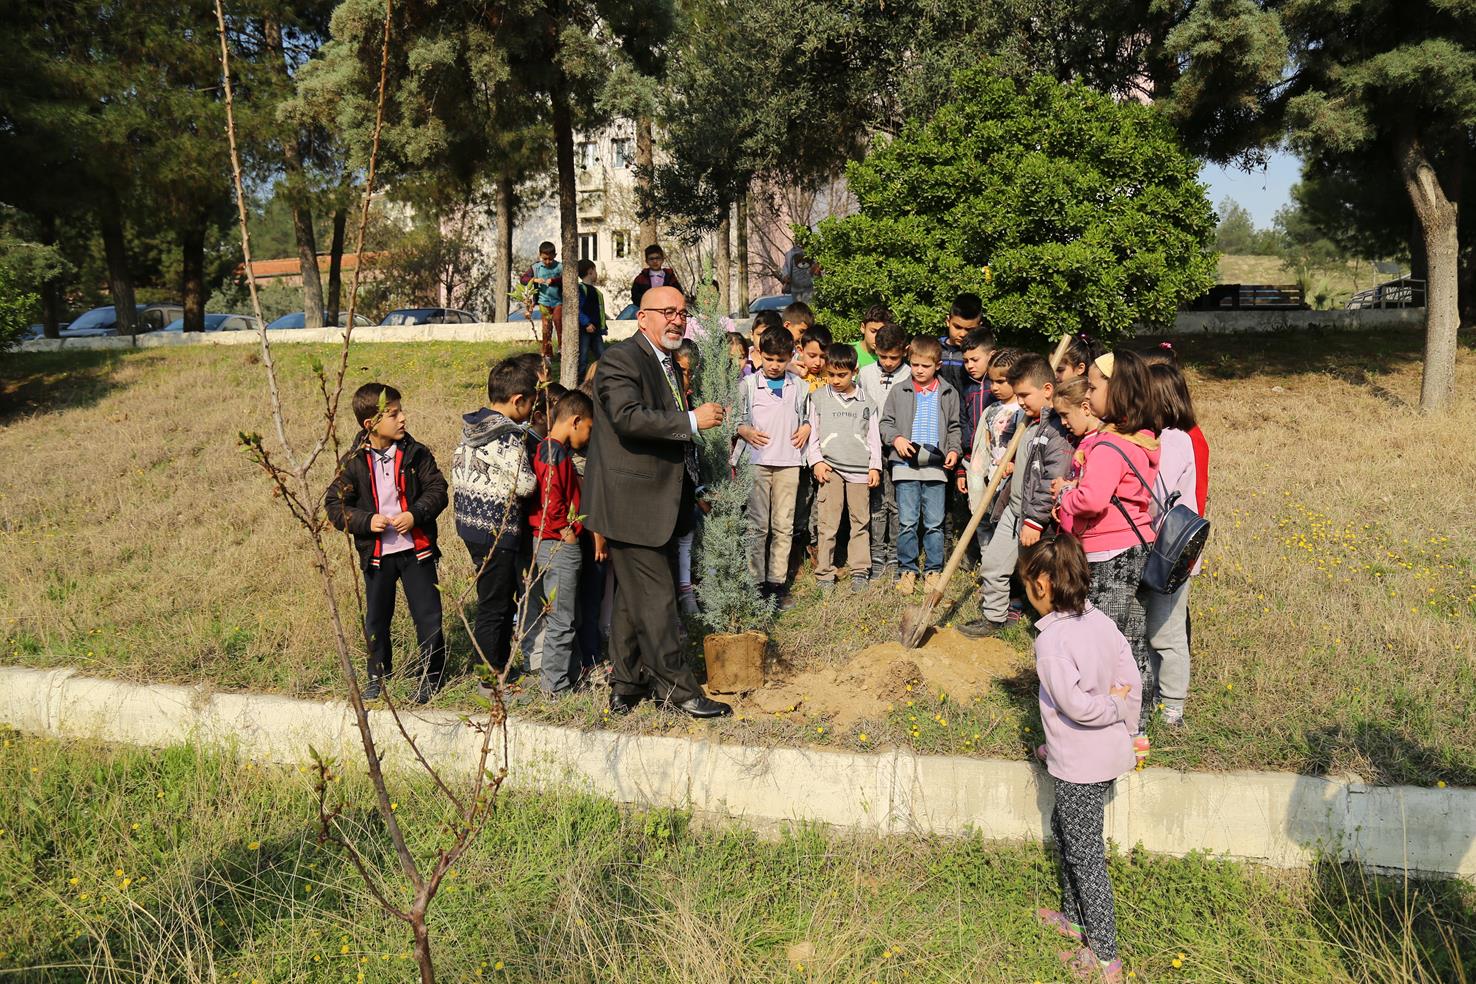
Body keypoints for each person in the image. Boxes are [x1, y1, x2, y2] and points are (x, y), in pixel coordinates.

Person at [584, 285, 731, 718]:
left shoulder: (665, 361)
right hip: (632, 502)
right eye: (667, 311)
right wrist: (691, 420)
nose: (677, 320)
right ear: (641, 317)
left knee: (634, 600)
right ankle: (679, 692)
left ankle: (626, 686)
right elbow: (627, 418)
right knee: (658, 599)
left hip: (659, 501)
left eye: (682, 313)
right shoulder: (620, 359)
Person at [1022, 533, 1140, 984]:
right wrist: (1126, 724)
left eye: (1028, 581)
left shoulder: (1051, 642)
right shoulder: (1099, 621)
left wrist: (1108, 709)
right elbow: (1129, 676)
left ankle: (1106, 958)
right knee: (1067, 833)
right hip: (1102, 756)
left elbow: (1073, 705)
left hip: (1081, 768)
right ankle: (1074, 919)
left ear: (1044, 584)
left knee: (1087, 856)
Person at [1054, 350, 1160, 740]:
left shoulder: (1108, 447)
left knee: (1105, 644)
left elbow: (1093, 500)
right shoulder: (1140, 440)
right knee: (1129, 639)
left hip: (1110, 554)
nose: (1089, 395)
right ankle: (1138, 725)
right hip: (1132, 549)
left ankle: (1111, 728)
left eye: (1095, 387)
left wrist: (1066, 497)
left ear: (1117, 392)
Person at [325, 383, 449, 704]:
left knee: (428, 616)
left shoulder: (416, 453)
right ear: (371, 424)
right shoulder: (353, 461)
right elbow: (335, 506)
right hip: (378, 556)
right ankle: (378, 676)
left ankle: (430, 677)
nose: (402, 418)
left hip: (416, 551)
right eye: (393, 414)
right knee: (377, 619)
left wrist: (415, 514)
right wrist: (367, 521)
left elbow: (438, 490)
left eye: (400, 411)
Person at [962, 353, 1071, 638]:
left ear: (1047, 390)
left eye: (1025, 395)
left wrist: (1034, 521)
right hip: (1014, 509)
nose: (1020, 401)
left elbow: (1050, 478)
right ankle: (994, 617)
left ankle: (1054, 627)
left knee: (1040, 578)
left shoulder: (1057, 429)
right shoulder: (1028, 421)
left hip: (1037, 517)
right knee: (994, 564)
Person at [450, 359, 538, 691]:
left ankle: (498, 666)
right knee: (496, 604)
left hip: (470, 524)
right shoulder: (508, 436)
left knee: (494, 599)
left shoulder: (472, 427)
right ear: (518, 400)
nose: (531, 411)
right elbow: (525, 484)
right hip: (496, 528)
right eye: (530, 404)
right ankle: (489, 676)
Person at [521, 390, 594, 696]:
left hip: (549, 539)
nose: (589, 436)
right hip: (556, 542)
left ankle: (566, 676)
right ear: (575, 421)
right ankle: (555, 687)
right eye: (589, 428)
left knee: (563, 615)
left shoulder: (549, 449)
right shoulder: (554, 453)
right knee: (562, 618)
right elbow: (552, 496)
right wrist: (564, 528)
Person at [1142, 360, 1203, 727]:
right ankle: (1152, 697)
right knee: (1151, 629)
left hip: (1170, 553)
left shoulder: (1175, 440)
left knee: (1166, 631)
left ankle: (1173, 706)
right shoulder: (1161, 439)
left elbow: (1156, 492)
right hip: (1158, 550)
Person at [734, 326, 812, 606]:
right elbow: (732, 419)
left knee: (783, 525)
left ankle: (777, 584)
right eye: (769, 359)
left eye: (781, 360)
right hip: (757, 463)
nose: (775, 366)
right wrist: (742, 429)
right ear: (758, 355)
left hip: (789, 463)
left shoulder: (800, 387)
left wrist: (807, 426)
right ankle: (755, 583)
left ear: (791, 356)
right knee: (757, 526)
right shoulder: (748, 386)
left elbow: (810, 418)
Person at [881, 335, 961, 595]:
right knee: (907, 521)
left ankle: (933, 570)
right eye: (914, 365)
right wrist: (897, 439)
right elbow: (885, 424)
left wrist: (953, 450)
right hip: (905, 465)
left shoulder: (948, 392)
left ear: (937, 365)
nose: (919, 370)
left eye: (925, 366)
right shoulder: (899, 390)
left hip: (936, 468)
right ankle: (907, 570)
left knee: (934, 522)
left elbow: (954, 427)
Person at [806, 343, 882, 592]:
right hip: (831, 469)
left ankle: (860, 569)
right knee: (828, 521)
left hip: (860, 470)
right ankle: (825, 572)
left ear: (854, 371)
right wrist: (816, 460)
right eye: (831, 375)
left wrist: (874, 467)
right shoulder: (818, 399)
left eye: (842, 375)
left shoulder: (866, 402)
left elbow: (873, 437)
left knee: (860, 520)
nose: (836, 380)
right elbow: (813, 435)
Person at [859, 323, 909, 584]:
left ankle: (896, 555)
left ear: (905, 352)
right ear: (875, 350)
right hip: (872, 451)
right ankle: (877, 556)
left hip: (901, 451)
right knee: (877, 505)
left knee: (898, 505)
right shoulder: (865, 374)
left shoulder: (911, 374)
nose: (888, 363)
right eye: (883, 356)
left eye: (894, 357)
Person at [523, 242, 562, 360]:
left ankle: (562, 350)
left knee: (559, 323)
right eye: (545, 259)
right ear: (540, 255)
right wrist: (534, 280)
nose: (548, 262)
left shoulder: (560, 267)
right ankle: (547, 354)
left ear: (555, 255)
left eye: (550, 259)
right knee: (546, 327)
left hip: (558, 301)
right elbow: (523, 279)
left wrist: (554, 280)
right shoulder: (536, 267)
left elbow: (566, 278)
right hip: (543, 302)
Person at [938, 292, 983, 395]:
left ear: (979, 326)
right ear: (948, 321)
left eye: (969, 329)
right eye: (957, 327)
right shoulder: (934, 349)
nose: (962, 334)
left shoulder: (981, 354)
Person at [576, 259, 608, 382]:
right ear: (590, 271)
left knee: (602, 356)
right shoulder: (580, 289)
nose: (596, 273)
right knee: (582, 358)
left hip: (596, 330)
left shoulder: (596, 292)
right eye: (595, 270)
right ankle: (579, 383)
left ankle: (604, 379)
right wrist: (586, 323)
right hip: (585, 330)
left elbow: (599, 311)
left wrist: (602, 326)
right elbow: (578, 308)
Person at [853, 303, 893, 368]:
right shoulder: (846, 351)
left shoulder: (890, 358)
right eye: (873, 331)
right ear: (863, 328)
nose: (877, 337)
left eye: (882, 332)